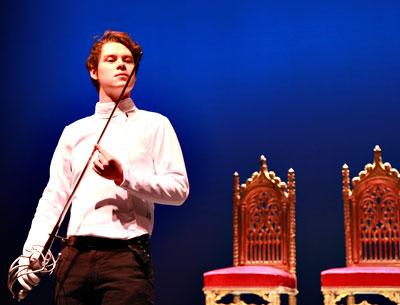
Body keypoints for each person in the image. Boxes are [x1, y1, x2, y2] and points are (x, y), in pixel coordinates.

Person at [17, 30, 189, 305]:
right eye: (111, 59)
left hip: (126, 261)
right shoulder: (74, 132)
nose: (121, 64)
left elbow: (179, 190)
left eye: (128, 60)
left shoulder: (155, 124)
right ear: (94, 70)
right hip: (73, 260)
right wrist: (31, 254)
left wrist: (124, 177)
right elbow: (54, 198)